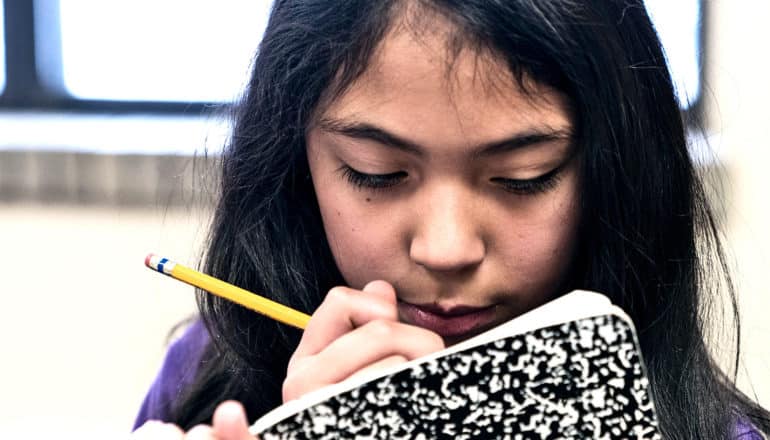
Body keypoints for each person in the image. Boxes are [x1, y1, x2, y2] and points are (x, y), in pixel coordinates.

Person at [132, 0, 770, 438]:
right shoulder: (203, 382)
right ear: (294, 163)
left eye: (523, 178)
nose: (445, 249)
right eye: (374, 172)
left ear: (618, 174)